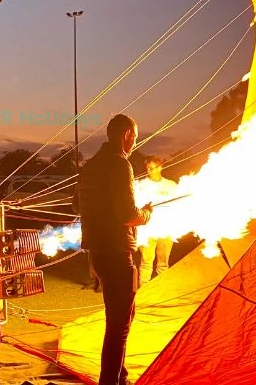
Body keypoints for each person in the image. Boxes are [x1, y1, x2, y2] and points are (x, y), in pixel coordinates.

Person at [77, 114, 153, 385]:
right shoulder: (120, 164)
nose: (135, 142)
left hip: (98, 252)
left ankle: (119, 376)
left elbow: (79, 206)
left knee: (124, 315)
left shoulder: (91, 166)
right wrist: (146, 214)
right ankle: (110, 381)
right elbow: (128, 214)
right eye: (135, 136)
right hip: (117, 251)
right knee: (119, 326)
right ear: (125, 134)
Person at [134, 156, 177, 284]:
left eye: (151, 168)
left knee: (163, 264)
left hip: (165, 229)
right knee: (146, 263)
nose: (149, 171)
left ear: (160, 167)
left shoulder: (171, 185)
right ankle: (144, 294)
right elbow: (135, 206)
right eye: (147, 168)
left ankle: (160, 292)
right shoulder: (141, 185)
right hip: (147, 230)